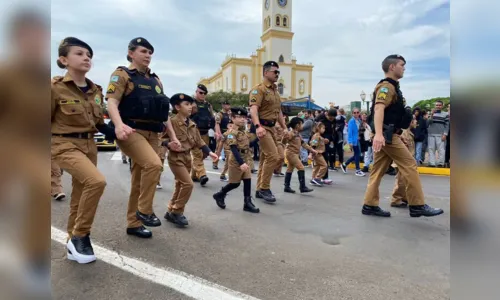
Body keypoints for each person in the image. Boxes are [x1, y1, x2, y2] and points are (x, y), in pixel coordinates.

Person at [106, 37, 180, 239]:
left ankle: (133, 223)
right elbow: (112, 102)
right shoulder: (122, 75)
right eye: (143, 51)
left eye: (150, 53)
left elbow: (164, 112)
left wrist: (172, 136)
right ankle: (145, 210)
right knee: (154, 165)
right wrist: (119, 125)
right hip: (131, 131)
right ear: (131, 53)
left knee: (139, 181)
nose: (148, 56)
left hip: (153, 133)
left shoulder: (156, 80)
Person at [52, 37, 110, 263]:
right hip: (63, 144)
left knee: (79, 194)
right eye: (79, 53)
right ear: (63, 60)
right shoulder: (54, 88)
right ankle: (81, 236)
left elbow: (99, 122)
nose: (86, 57)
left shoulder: (95, 90)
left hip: (89, 145)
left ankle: (71, 243)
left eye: (89, 55)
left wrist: (119, 131)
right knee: (96, 182)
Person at [363, 54, 443, 218]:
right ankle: (417, 204)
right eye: (402, 65)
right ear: (392, 67)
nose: (404, 68)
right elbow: (378, 109)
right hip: (386, 136)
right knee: (410, 165)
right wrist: (378, 134)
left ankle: (369, 205)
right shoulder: (386, 87)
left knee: (377, 171)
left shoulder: (393, 87)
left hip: (389, 134)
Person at [162, 93, 218, 226]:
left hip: (188, 156)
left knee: (180, 184)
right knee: (188, 184)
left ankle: (170, 209)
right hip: (176, 157)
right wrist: (168, 144)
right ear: (177, 107)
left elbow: (199, 142)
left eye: (190, 104)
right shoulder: (172, 122)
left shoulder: (192, 124)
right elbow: (162, 138)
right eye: (186, 104)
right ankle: (177, 212)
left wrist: (210, 153)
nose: (190, 107)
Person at [248, 61, 288, 203]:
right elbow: (253, 109)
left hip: (272, 128)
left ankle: (259, 189)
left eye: (278, 72)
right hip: (262, 127)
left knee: (266, 159)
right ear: (265, 73)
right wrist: (258, 126)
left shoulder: (275, 91)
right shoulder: (258, 90)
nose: (277, 74)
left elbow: (279, 112)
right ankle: (265, 188)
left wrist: (284, 128)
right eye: (274, 71)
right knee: (273, 156)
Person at [212, 107, 260, 213]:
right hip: (236, 160)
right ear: (232, 118)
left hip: (245, 158)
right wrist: (241, 163)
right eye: (239, 117)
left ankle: (247, 203)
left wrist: (258, 137)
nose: (243, 119)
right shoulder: (231, 132)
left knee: (247, 180)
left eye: (244, 117)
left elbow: (249, 145)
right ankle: (219, 195)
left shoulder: (243, 132)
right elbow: (233, 149)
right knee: (235, 183)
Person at [281, 117, 317, 193]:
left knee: (290, 169)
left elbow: (303, 144)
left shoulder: (298, 134)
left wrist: (312, 150)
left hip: (295, 154)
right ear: (297, 125)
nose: (302, 126)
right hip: (291, 153)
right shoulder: (290, 133)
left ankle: (286, 187)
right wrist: (284, 137)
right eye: (301, 124)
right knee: (301, 168)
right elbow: (283, 142)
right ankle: (302, 187)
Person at [190, 84, 215, 186]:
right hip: (194, 132)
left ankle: (194, 175)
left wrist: (216, 131)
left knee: (204, 154)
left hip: (205, 133)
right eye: (200, 92)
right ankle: (202, 175)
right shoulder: (191, 103)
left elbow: (212, 119)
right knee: (197, 154)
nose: (203, 95)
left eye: (204, 93)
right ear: (196, 92)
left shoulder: (208, 105)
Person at [391, 116, 417, 207]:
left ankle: (404, 198)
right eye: (414, 120)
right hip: (402, 161)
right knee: (401, 181)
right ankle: (396, 199)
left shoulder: (409, 132)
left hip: (407, 160)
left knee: (406, 181)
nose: (416, 122)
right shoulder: (404, 132)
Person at [341, 108, 366, 176]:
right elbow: (350, 133)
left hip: (358, 140)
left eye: (357, 112)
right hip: (354, 141)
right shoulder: (351, 121)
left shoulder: (359, 120)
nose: (356, 114)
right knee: (357, 154)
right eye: (354, 113)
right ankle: (357, 170)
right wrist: (350, 142)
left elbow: (359, 130)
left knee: (356, 154)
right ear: (352, 113)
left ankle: (345, 164)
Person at [315, 109, 336, 182]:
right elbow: (313, 142)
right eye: (323, 128)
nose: (332, 119)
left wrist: (331, 140)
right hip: (320, 144)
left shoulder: (333, 121)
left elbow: (332, 131)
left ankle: (321, 177)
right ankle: (319, 178)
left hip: (327, 142)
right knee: (323, 162)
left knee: (325, 160)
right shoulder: (322, 121)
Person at [427, 100, 449, 167]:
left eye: (439, 105)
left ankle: (440, 163)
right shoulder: (431, 113)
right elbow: (428, 123)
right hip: (431, 134)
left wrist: (445, 134)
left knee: (441, 150)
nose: (438, 106)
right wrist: (431, 114)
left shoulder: (446, 114)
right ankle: (432, 163)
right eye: (437, 105)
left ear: (442, 106)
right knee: (431, 149)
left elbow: (447, 125)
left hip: (441, 135)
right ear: (435, 106)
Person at [214, 100, 231, 170]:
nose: (228, 106)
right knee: (218, 150)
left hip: (229, 134)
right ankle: (215, 163)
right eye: (226, 105)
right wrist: (219, 134)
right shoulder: (220, 114)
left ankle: (229, 164)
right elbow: (217, 124)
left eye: (229, 105)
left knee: (229, 150)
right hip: (222, 133)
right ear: (223, 106)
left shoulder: (230, 114)